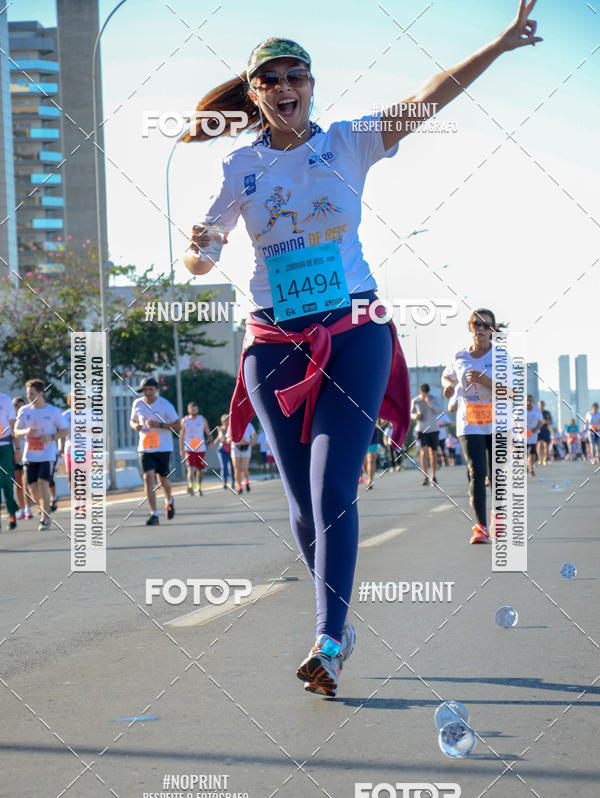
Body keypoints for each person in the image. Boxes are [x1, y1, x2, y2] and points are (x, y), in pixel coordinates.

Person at [184, 8, 542, 695]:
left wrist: (498, 43)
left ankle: (326, 637)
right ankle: (339, 624)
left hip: (354, 331)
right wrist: (200, 249)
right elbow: (207, 247)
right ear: (254, 93)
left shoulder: (349, 143)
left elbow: (428, 99)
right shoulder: (239, 164)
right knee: (298, 501)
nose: (284, 86)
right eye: (270, 79)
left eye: (295, 75)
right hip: (273, 343)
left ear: (311, 85)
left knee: (331, 489)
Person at [442, 309, 502, 544]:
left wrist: (484, 380)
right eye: (477, 324)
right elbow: (447, 376)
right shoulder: (459, 356)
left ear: (493, 330)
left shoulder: (502, 357)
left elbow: (511, 392)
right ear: (470, 327)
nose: (481, 328)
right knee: (477, 472)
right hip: (470, 423)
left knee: (497, 475)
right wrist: (448, 386)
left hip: (497, 423)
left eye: (487, 325)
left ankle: (497, 518)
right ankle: (480, 528)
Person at [13, 380, 67, 530]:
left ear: (41, 393)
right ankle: (44, 507)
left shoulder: (53, 412)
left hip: (47, 455)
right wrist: (25, 432)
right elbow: (16, 432)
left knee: (43, 484)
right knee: (32, 489)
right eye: (27, 394)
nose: (29, 397)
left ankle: (45, 518)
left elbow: (65, 430)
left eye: (32, 394)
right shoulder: (24, 411)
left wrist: (51, 438)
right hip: (29, 456)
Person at [129, 377, 180, 525]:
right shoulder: (137, 404)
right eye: (145, 390)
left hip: (163, 447)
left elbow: (178, 425)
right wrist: (135, 426)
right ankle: (154, 514)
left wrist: (159, 424)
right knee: (148, 478)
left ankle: (169, 500)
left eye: (150, 389)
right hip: (145, 448)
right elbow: (132, 421)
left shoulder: (165, 405)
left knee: (163, 480)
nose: (148, 392)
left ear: (156, 390)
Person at [411, 383, 443, 487]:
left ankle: (433, 476)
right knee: (423, 452)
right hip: (421, 430)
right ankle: (425, 476)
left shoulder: (434, 398)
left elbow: (440, 411)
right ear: (420, 392)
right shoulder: (415, 401)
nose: (425, 395)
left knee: (433, 453)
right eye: (423, 393)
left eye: (426, 393)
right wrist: (415, 416)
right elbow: (410, 414)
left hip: (433, 429)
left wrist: (429, 403)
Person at [179, 401, 212, 496]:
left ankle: (199, 487)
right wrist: (181, 449)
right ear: (188, 410)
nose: (194, 410)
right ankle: (190, 486)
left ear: (197, 409)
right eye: (192, 409)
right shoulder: (185, 420)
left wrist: (211, 439)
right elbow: (181, 435)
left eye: (195, 409)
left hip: (200, 449)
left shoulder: (202, 419)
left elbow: (207, 431)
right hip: (189, 449)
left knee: (200, 470)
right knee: (191, 469)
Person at [0, 391, 19, 530]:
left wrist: (17, 448)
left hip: (5, 445)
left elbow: (13, 426)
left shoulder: (5, 400)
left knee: (6, 481)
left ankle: (12, 512)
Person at [11, 397, 28, 519]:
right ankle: (21, 508)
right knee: (18, 482)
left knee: (28, 481)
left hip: (28, 455)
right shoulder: (10, 422)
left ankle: (29, 507)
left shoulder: (28, 420)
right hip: (16, 455)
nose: (19, 409)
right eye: (17, 407)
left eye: (22, 406)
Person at [230, 422, 256, 494]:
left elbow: (253, 435)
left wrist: (252, 441)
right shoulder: (232, 424)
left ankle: (246, 481)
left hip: (246, 447)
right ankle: (239, 486)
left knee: (244, 468)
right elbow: (227, 438)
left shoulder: (248, 424)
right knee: (237, 469)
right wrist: (234, 440)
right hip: (235, 448)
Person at [526, 395, 544, 476]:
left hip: (533, 432)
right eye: (526, 401)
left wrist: (536, 429)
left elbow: (540, 421)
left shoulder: (536, 409)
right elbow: (514, 421)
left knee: (532, 451)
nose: (528, 403)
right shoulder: (519, 409)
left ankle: (531, 467)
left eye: (530, 401)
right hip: (522, 432)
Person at [216, 413, 233, 488]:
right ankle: (224, 482)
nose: (226, 421)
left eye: (227, 420)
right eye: (224, 420)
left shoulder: (232, 428)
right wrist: (213, 443)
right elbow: (221, 439)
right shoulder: (220, 429)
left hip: (231, 449)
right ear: (222, 422)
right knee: (224, 466)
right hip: (222, 450)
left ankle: (233, 482)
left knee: (232, 467)